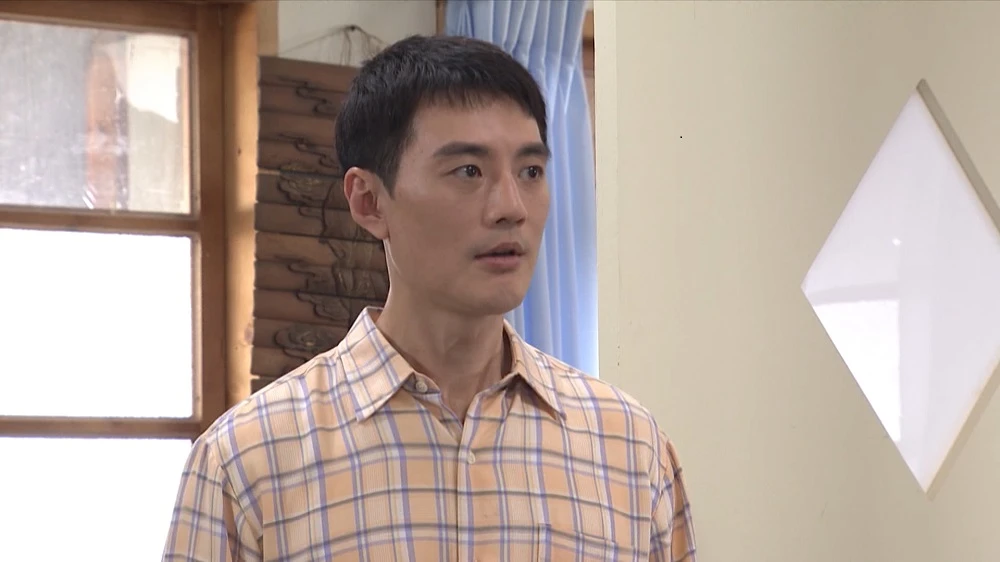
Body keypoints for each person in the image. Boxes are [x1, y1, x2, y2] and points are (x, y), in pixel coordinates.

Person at [162, 34, 696, 562]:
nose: (511, 207)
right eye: (469, 171)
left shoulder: (628, 447)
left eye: (530, 171)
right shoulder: (246, 461)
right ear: (369, 202)